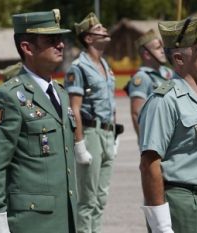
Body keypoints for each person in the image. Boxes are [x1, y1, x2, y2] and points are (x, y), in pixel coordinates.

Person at [0, 9, 77, 233]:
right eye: (51, 40)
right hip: (30, 222)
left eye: (61, 39)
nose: (60, 45)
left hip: (65, 218)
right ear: (27, 47)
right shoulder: (9, 97)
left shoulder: (60, 94)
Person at [138, 17, 197, 233]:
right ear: (179, 57)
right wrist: (160, 223)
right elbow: (149, 164)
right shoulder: (164, 100)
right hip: (184, 206)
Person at [64, 12, 117, 233]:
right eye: (99, 30)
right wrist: (79, 144)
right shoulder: (79, 67)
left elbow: (111, 103)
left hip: (107, 134)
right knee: (87, 198)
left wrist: (115, 136)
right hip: (90, 133)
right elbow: (74, 107)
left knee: (101, 198)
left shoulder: (105, 64)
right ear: (88, 38)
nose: (105, 31)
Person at [126, 29, 172, 137]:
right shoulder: (142, 77)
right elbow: (136, 113)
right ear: (147, 54)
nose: (162, 50)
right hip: (156, 136)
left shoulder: (168, 73)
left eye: (162, 47)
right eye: (157, 48)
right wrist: (144, 144)